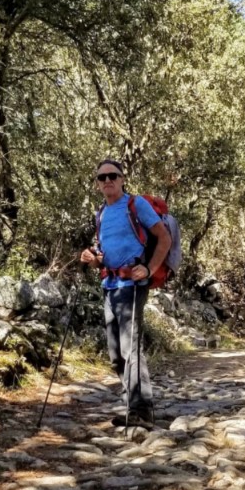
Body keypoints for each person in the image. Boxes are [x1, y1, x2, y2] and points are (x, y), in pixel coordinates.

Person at [80, 160, 171, 426]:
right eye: (101, 177)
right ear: (97, 184)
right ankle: (133, 404)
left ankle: (141, 410)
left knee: (131, 348)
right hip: (109, 286)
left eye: (112, 176)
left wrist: (149, 268)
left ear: (122, 179)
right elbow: (102, 257)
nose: (107, 180)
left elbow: (163, 238)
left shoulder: (135, 205)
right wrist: (92, 258)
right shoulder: (101, 214)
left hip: (132, 286)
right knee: (115, 353)